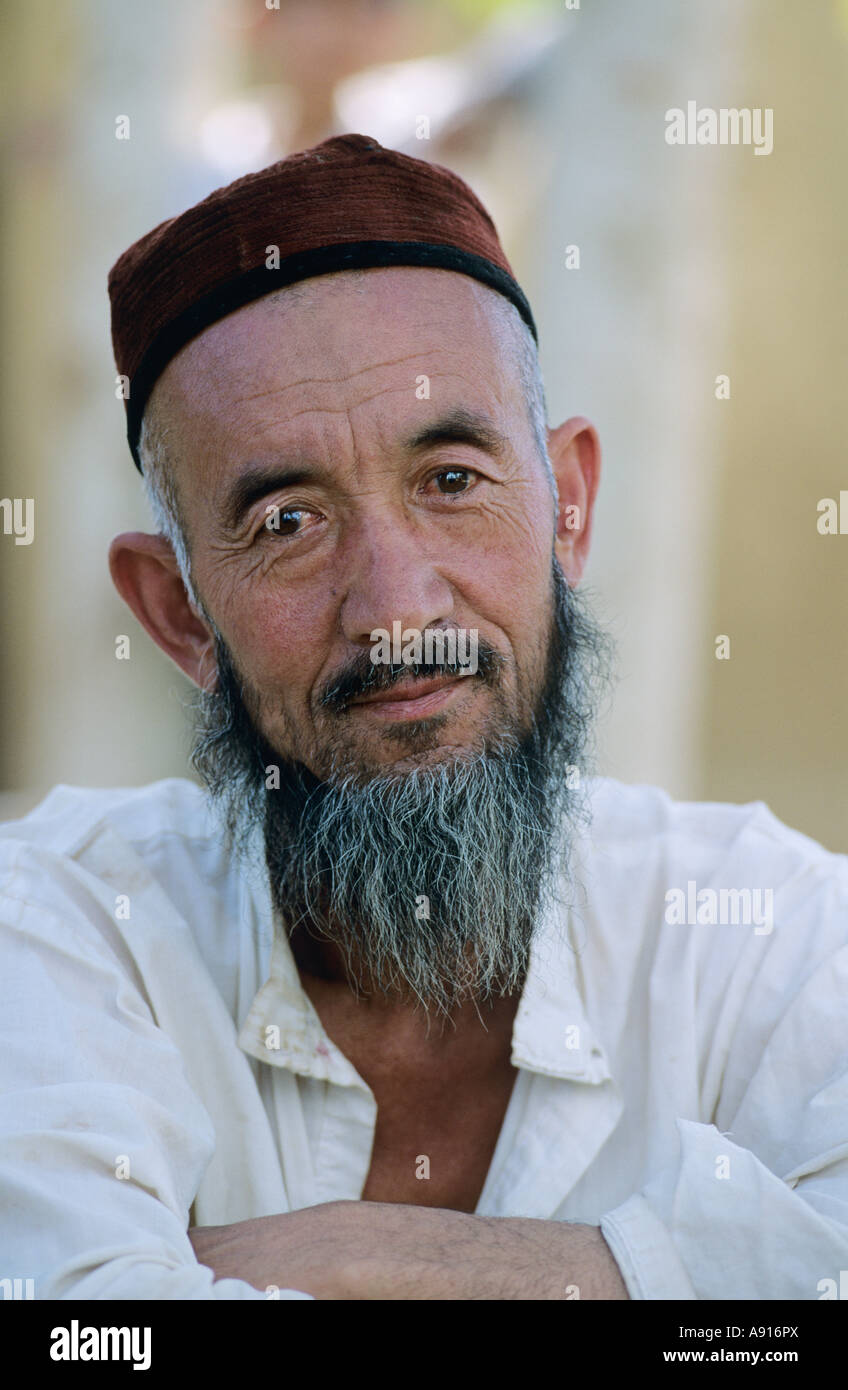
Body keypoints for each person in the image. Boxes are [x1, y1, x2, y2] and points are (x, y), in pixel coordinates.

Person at [1, 134, 846, 1301]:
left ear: (568, 509)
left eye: (450, 480)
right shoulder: (59, 928)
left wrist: (362, 1252)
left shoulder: (762, 933)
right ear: (178, 614)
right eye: (287, 521)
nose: (396, 608)